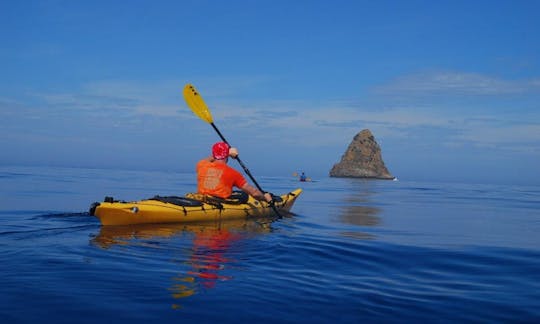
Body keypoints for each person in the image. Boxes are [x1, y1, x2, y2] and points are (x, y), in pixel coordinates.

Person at [197, 142, 272, 202]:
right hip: (220, 202)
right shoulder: (233, 173)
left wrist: (224, 152)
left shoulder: (201, 165)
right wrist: (265, 198)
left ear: (213, 154)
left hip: (203, 199)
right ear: (227, 155)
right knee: (244, 195)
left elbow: (211, 158)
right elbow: (255, 193)